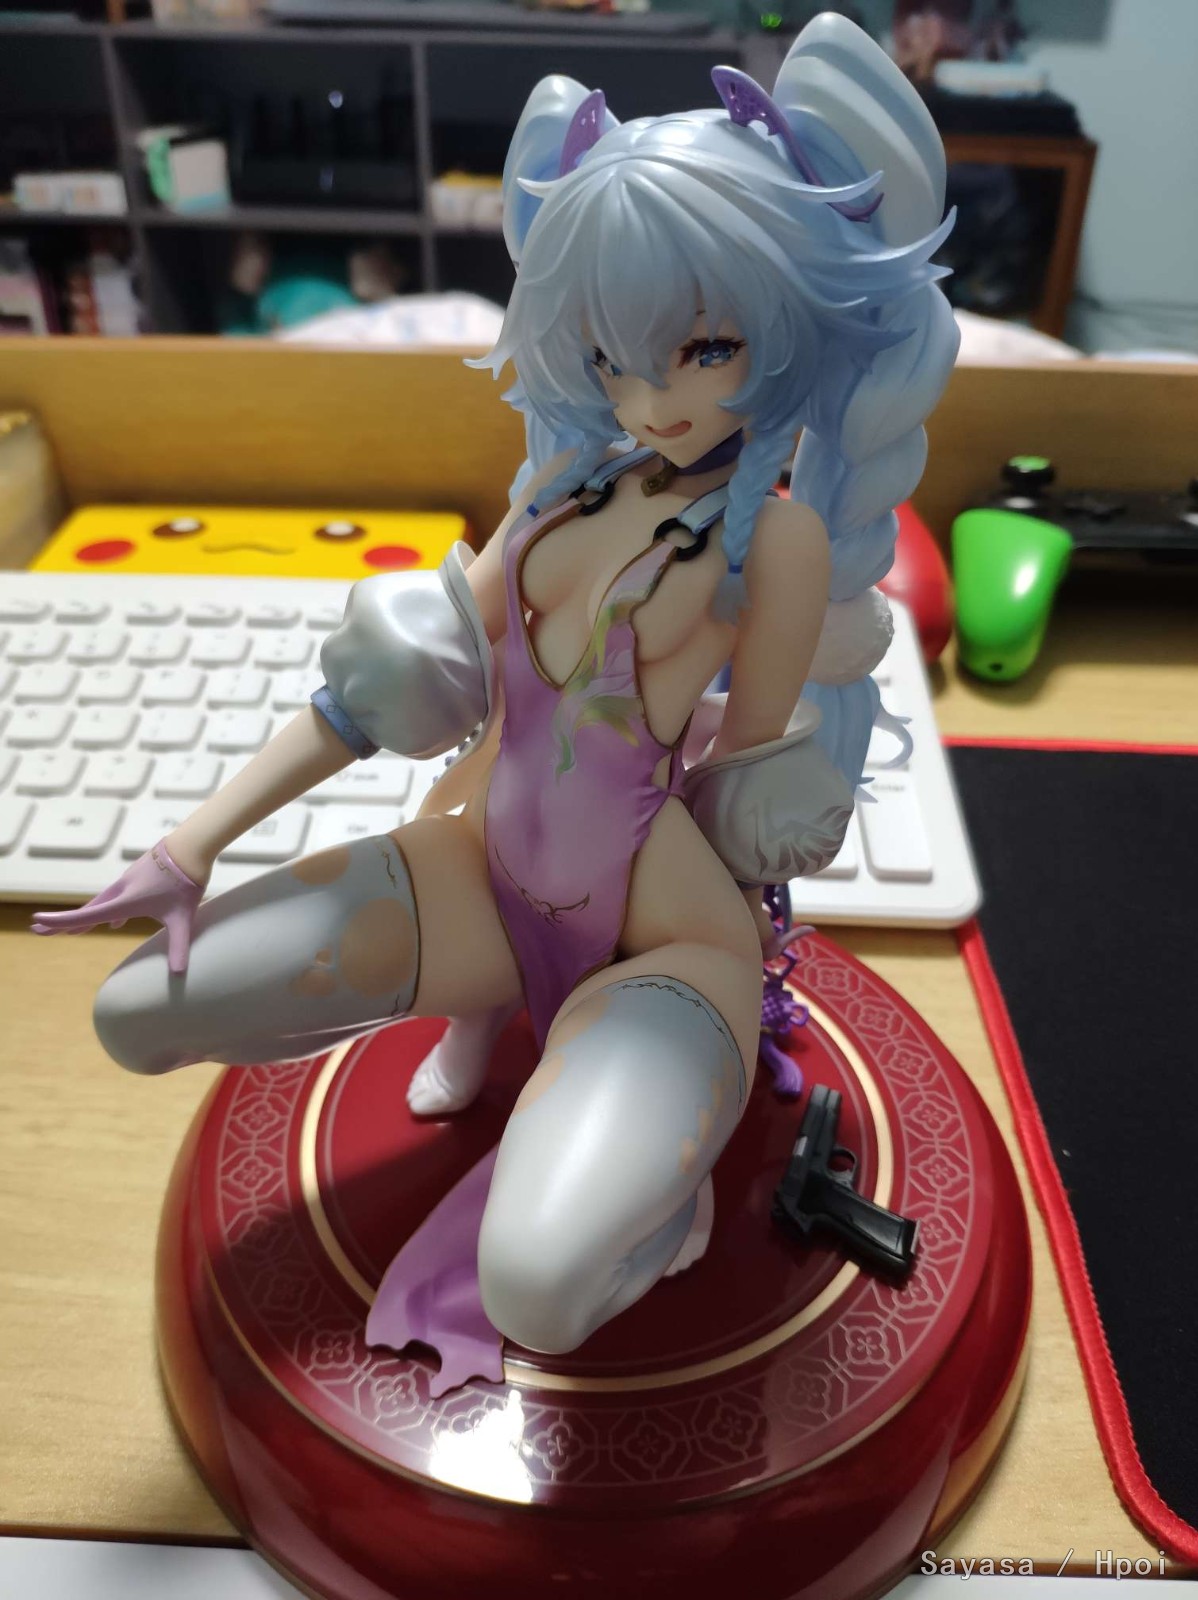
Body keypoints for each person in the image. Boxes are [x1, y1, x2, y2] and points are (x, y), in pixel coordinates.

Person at [32, 14, 957, 1361]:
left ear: (779, 323)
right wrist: (190, 846)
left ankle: (658, 1164)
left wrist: (739, 911)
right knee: (138, 1014)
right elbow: (373, 693)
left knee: (536, 1292)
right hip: (481, 868)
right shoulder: (560, 495)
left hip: (659, 928)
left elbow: (746, 771)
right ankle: (494, 1023)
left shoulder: (780, 539)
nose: (653, 397)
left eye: (702, 347)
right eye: (616, 354)